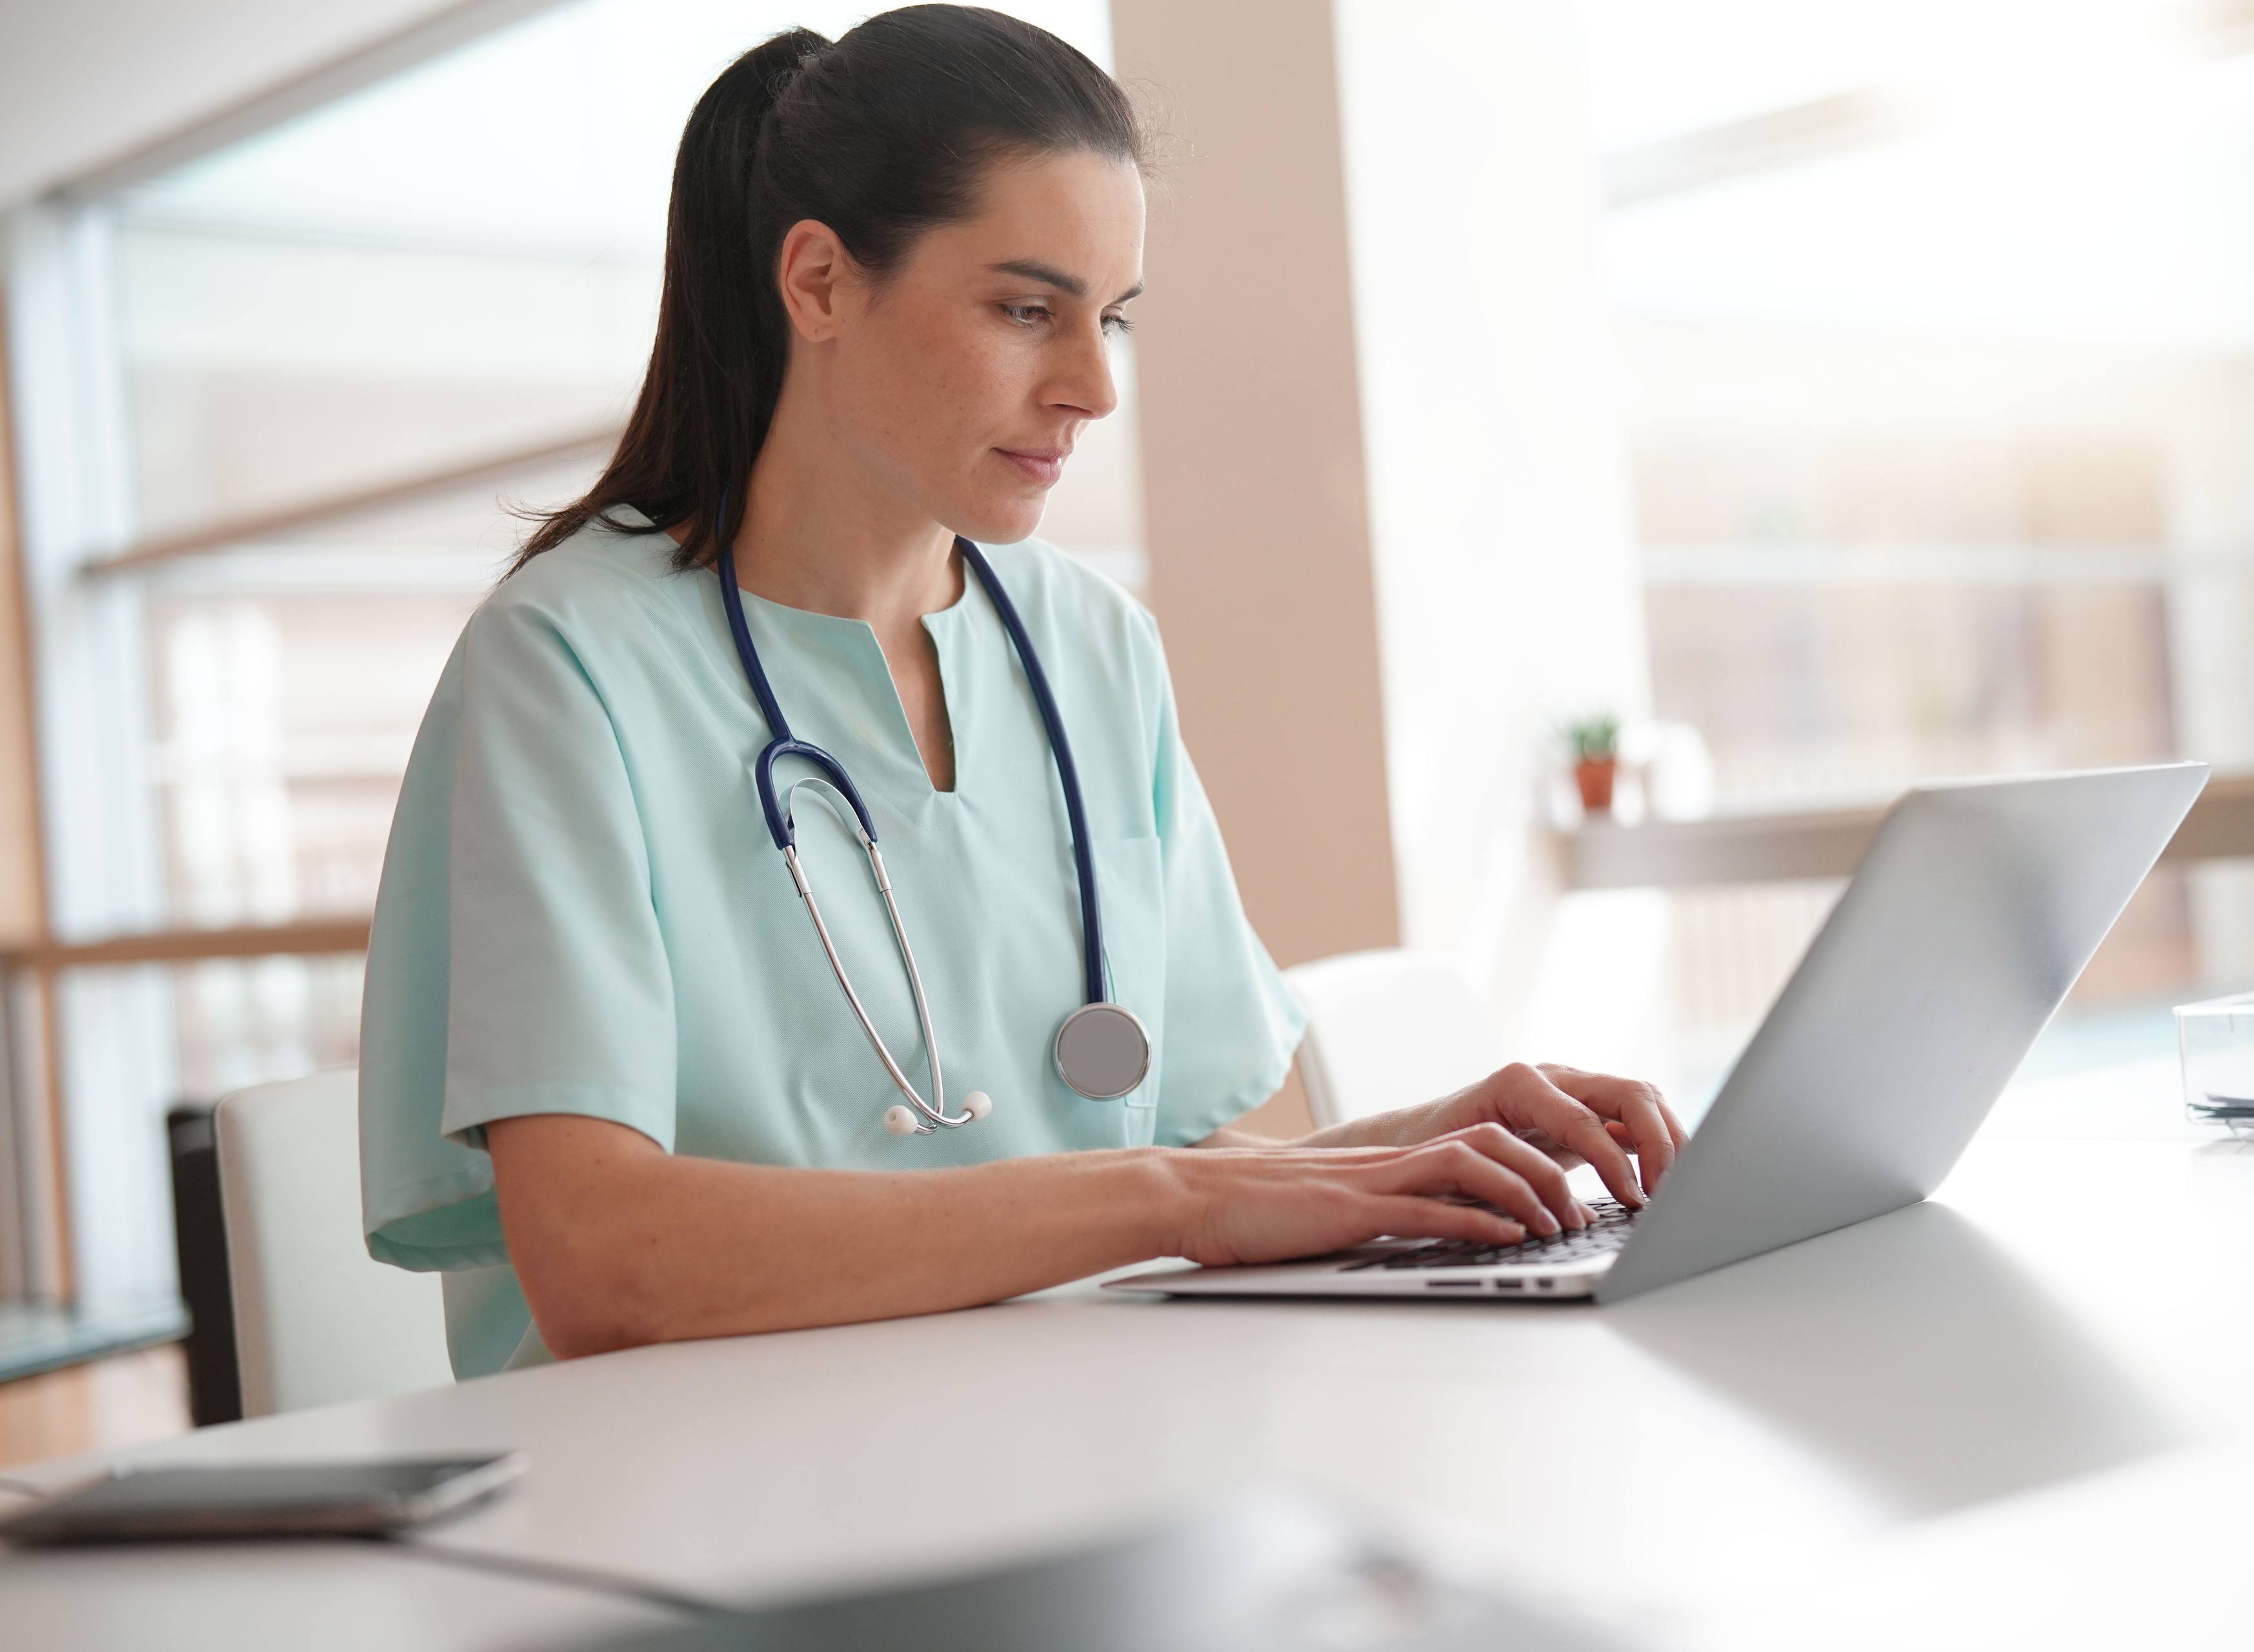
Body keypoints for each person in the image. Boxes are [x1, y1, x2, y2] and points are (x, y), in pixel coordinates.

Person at [358, 5, 1684, 1379]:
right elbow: (601, 1262)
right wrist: (1175, 1198)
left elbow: (1149, 1163)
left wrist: (1415, 1152)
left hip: (1048, 1419)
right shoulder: (569, 660)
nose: (1093, 386)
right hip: (689, 1487)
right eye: (1024, 308)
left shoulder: (1091, 647)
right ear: (814, 282)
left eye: (1108, 318)